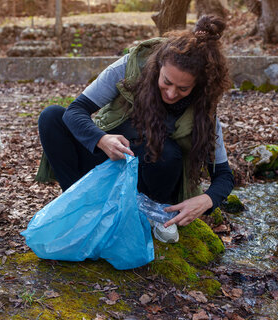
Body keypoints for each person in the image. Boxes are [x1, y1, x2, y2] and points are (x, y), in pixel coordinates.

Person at [37, 15, 234, 243]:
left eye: (183, 88)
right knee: (51, 117)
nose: (171, 94)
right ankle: (77, 204)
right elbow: (75, 111)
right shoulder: (129, 67)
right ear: (158, 66)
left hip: (149, 182)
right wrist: (102, 139)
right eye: (166, 82)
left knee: (165, 150)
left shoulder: (205, 109)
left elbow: (223, 175)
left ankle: (154, 215)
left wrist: (207, 200)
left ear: (198, 86)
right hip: (109, 159)